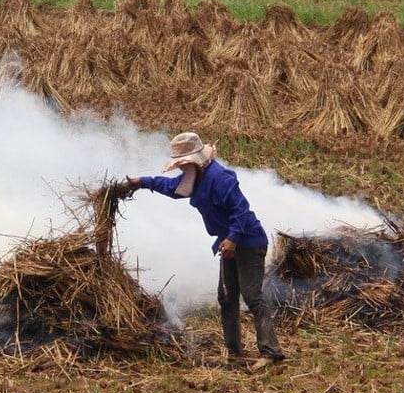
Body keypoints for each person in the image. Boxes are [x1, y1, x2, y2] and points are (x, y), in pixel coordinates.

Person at [118, 132, 285, 369]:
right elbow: (170, 186)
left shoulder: (220, 178)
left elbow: (241, 211)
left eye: (184, 162)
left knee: (252, 297)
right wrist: (142, 182)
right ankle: (234, 353)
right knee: (227, 298)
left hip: (248, 243)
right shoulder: (193, 177)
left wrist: (233, 239)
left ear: (195, 159)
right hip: (227, 244)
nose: (182, 167)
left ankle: (271, 353)